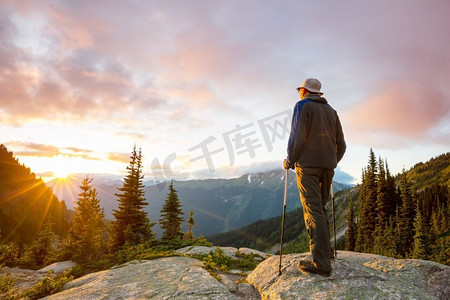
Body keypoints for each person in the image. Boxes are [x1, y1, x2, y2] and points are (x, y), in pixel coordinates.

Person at [283, 78, 346, 277]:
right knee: (320, 207)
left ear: (304, 91)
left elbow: (297, 135)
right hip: (327, 168)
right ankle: (326, 253)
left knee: (313, 210)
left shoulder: (302, 106)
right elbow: (342, 144)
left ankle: (321, 264)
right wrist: (332, 161)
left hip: (307, 167)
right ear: (318, 93)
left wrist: (290, 160)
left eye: (300, 90)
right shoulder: (332, 112)